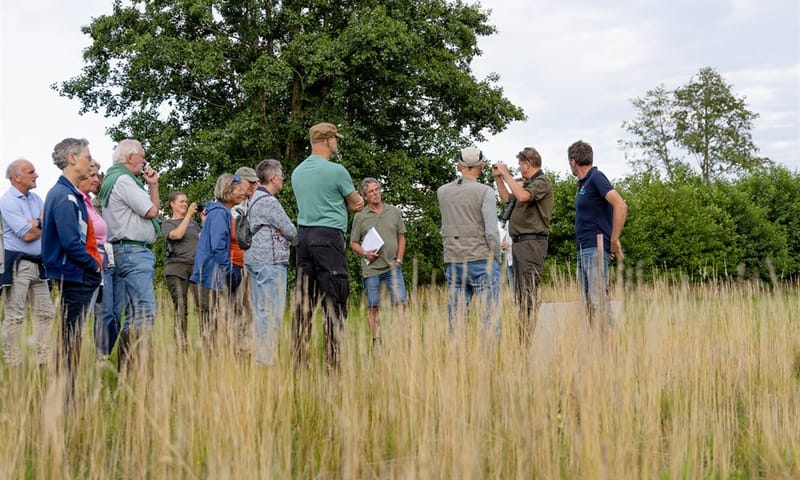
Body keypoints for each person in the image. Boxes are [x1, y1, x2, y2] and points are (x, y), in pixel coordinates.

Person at [291, 122, 364, 369]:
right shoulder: (337, 171)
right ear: (328, 141)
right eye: (336, 139)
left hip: (303, 238)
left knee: (304, 300)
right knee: (334, 297)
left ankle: (299, 360)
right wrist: (350, 203)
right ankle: (332, 362)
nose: (337, 144)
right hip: (329, 237)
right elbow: (356, 202)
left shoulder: (297, 172)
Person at [42, 138, 102, 402]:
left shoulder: (68, 193)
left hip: (74, 273)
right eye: (87, 156)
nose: (90, 161)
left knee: (71, 337)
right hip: (72, 275)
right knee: (70, 338)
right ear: (72, 159)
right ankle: (65, 398)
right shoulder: (64, 196)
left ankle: (66, 393)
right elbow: (70, 242)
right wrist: (94, 267)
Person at [98, 139, 160, 367]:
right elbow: (152, 210)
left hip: (122, 251)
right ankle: (137, 367)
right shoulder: (124, 180)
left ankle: (127, 368)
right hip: (133, 251)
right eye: (142, 156)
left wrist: (152, 184)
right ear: (129, 157)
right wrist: (152, 188)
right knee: (145, 309)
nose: (144, 160)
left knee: (132, 314)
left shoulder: (115, 180)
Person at [437, 146, 501, 339]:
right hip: (481, 260)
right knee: (488, 320)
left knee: (456, 321)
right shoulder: (485, 192)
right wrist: (496, 256)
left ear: (459, 166)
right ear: (481, 167)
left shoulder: (442, 192)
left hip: (454, 260)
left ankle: (458, 364)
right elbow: (491, 231)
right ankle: (486, 365)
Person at [492, 147, 554, 342]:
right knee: (520, 294)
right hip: (518, 245)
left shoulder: (542, 182)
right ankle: (523, 337)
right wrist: (498, 178)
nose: (519, 168)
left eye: (520, 164)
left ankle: (528, 338)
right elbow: (507, 199)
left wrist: (507, 174)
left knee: (528, 293)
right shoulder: (526, 185)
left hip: (532, 243)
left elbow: (523, 196)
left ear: (528, 163)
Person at [568, 140, 627, 329]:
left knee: (598, 300)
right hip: (583, 247)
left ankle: (611, 348)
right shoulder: (584, 184)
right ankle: (597, 348)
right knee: (589, 303)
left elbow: (620, 204)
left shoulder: (596, 177)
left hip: (596, 247)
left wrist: (614, 240)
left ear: (573, 161)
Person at [0, 159, 53, 367]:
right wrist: (39, 224)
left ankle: (43, 359)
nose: (36, 175)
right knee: (15, 314)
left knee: (46, 312)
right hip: (18, 265)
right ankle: (13, 362)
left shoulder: (37, 199)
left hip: (39, 264)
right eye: (31, 171)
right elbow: (28, 235)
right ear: (17, 177)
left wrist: (37, 223)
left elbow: (49, 227)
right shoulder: (8, 201)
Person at [244, 160, 297, 366]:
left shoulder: (254, 199)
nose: (283, 178)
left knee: (261, 311)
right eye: (281, 175)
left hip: (256, 260)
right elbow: (290, 230)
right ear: (273, 178)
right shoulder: (269, 202)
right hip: (270, 261)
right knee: (271, 311)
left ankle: (262, 357)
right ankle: (265, 360)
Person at [349, 178, 408, 347]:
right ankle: (377, 342)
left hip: (392, 267)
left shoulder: (393, 212)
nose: (375, 193)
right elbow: (353, 243)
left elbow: (401, 237)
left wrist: (399, 259)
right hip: (372, 270)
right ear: (365, 196)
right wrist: (365, 253)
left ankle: (405, 339)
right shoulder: (360, 217)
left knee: (401, 303)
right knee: (374, 306)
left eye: (377, 189)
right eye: (371, 192)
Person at [190, 173, 245, 349]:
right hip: (216, 273)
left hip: (216, 272)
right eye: (238, 189)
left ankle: (219, 351)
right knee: (220, 313)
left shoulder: (220, 212)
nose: (242, 192)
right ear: (227, 191)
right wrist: (228, 269)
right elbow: (218, 245)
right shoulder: (220, 214)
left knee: (219, 313)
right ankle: (216, 354)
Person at [163, 191, 200, 348]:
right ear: (172, 204)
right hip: (176, 268)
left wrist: (204, 221)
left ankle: (208, 342)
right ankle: (181, 346)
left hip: (196, 268)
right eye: (181, 202)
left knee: (203, 305)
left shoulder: (193, 224)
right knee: (181, 307)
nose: (185, 204)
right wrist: (188, 216)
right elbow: (177, 235)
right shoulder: (167, 223)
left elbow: (202, 239)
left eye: (186, 201)